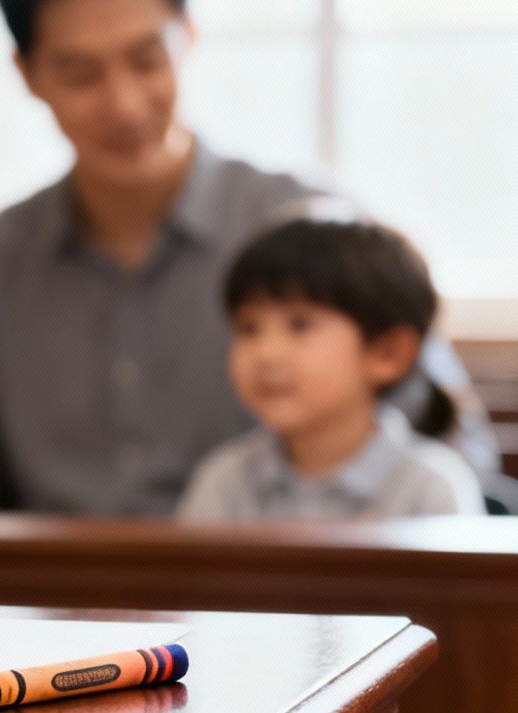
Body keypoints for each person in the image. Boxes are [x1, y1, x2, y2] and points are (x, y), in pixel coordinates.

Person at [0, 0, 498, 516]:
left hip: (281, 598)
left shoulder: (313, 231)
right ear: (26, 75)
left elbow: (449, 450)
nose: (123, 104)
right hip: (47, 605)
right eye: (80, 74)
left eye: (147, 60)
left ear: (190, 37)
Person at [178, 217, 484, 520]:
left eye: (299, 325)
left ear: (387, 353)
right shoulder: (223, 482)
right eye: (249, 328)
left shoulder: (430, 490)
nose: (266, 353)